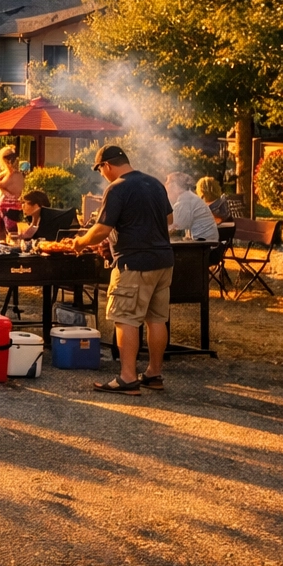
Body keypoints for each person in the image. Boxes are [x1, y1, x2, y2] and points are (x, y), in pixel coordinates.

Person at [71, 146, 174, 396]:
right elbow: (169, 220)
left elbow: (102, 229)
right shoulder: (155, 184)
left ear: (106, 165)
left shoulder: (117, 188)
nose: (102, 175)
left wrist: (80, 242)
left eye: (101, 170)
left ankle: (128, 378)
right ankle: (153, 374)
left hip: (133, 264)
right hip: (163, 261)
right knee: (156, 319)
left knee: (125, 318)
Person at [167, 171, 219, 241]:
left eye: (168, 187)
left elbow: (175, 226)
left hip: (203, 244)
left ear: (175, 187)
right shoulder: (189, 197)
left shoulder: (184, 201)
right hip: (207, 242)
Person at [0, 146, 24, 238]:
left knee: (10, 230)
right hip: (6, 206)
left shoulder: (13, 174)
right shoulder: (12, 173)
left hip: (9, 206)